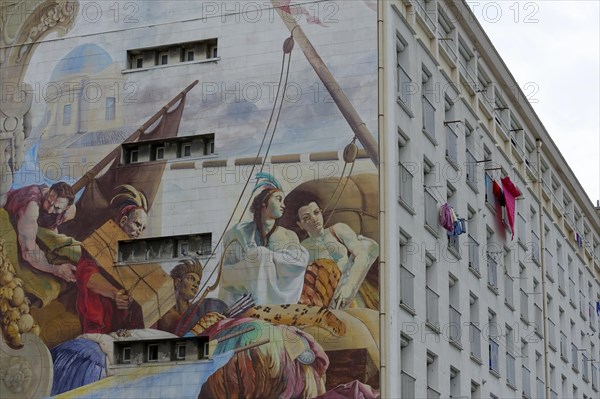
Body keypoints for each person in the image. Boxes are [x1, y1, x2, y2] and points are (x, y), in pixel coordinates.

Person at [219, 173, 309, 305]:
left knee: (260, 254)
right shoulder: (241, 232)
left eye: (283, 201)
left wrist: (266, 257)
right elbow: (226, 271)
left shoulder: (288, 236)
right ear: (264, 203)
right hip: (242, 297)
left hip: (279, 300)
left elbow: (297, 264)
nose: (283, 205)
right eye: (278, 199)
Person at [75, 185, 148, 334]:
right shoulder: (99, 242)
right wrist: (115, 293)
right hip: (101, 308)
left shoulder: (132, 256)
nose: (139, 231)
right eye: (137, 224)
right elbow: (86, 273)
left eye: (143, 228)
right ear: (123, 221)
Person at [296, 199, 379, 309]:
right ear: (300, 224)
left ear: (321, 212)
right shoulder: (302, 248)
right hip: (326, 299)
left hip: (351, 285)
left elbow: (362, 256)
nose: (314, 219)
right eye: (306, 218)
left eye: (316, 212)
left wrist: (349, 287)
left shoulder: (338, 229)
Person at [4, 182, 78, 283]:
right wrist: (56, 269)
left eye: (57, 208)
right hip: (8, 219)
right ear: (47, 193)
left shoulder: (69, 211)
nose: (50, 210)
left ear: (66, 208)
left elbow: (69, 211)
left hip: (35, 228)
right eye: (49, 202)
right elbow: (28, 251)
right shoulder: (32, 206)